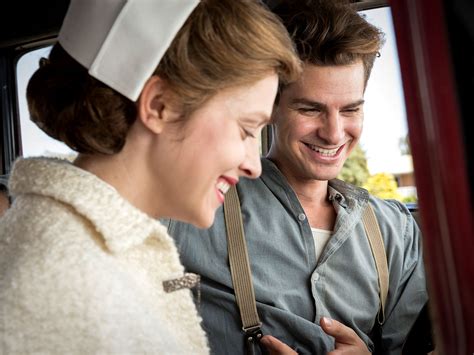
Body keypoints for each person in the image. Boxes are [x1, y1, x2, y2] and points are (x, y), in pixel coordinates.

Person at [0, 0, 301, 353]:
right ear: (160, 105)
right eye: (247, 130)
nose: (255, 165)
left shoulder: (100, 249)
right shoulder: (64, 284)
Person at [167, 0, 429, 354]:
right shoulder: (188, 211)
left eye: (350, 109)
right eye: (310, 109)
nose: (334, 134)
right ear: (270, 106)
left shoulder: (397, 232)